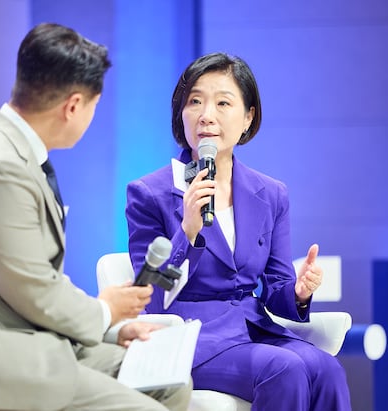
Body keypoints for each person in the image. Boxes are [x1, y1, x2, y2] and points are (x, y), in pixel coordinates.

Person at [0, 23, 191, 411]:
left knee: (169, 383)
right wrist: (106, 311)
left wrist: (108, 326)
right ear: (73, 106)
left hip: (28, 345)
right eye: (93, 105)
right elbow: (35, 292)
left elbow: (36, 279)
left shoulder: (13, 153)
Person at [126, 52, 351, 410]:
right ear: (180, 114)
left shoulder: (270, 194)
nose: (206, 115)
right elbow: (151, 299)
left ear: (248, 117)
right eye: (194, 102)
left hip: (253, 328)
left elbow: (276, 289)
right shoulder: (150, 193)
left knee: (327, 370)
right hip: (191, 337)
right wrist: (187, 232)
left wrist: (298, 292)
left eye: (223, 103)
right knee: (286, 369)